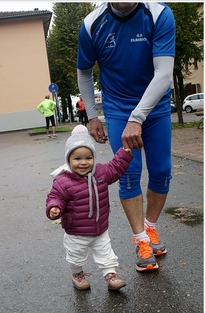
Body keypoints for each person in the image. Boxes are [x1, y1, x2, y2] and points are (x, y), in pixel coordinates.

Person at [77, 2, 175, 272]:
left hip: (155, 107)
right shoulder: (91, 24)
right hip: (119, 108)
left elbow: (165, 73)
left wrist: (138, 117)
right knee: (129, 173)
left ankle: (151, 228)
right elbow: (84, 71)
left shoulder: (158, 14)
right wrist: (93, 115)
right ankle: (141, 241)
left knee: (162, 171)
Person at [46, 130, 133, 291]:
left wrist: (124, 154)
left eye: (88, 158)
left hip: (100, 228)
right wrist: (54, 207)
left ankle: (111, 277)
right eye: (77, 159)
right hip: (76, 231)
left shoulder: (100, 172)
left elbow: (115, 168)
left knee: (106, 254)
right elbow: (55, 196)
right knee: (75, 257)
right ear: (68, 159)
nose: (83, 163)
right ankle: (77, 275)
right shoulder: (63, 180)